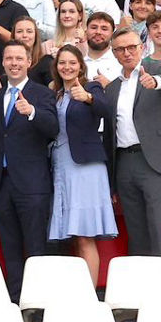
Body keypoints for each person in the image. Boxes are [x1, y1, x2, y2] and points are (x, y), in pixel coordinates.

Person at [0, 38, 57, 301]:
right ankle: (15, 301)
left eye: (19, 59)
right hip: (2, 184)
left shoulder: (42, 94)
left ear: (29, 62)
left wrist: (32, 112)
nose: (14, 63)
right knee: (10, 246)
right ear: (2, 63)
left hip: (33, 185)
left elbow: (53, 130)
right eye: (9, 59)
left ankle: (37, 303)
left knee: (36, 246)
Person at [105, 24, 161, 261]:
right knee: (136, 231)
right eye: (121, 49)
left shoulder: (154, 68)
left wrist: (157, 82)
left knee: (159, 230)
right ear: (114, 53)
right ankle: (139, 289)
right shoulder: (112, 87)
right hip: (124, 163)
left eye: (132, 47)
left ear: (142, 48)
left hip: (153, 161)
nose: (127, 53)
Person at [47, 43, 118, 278]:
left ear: (80, 66)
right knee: (75, 238)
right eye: (62, 63)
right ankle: (78, 292)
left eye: (72, 63)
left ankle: (88, 297)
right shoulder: (54, 92)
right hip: (61, 165)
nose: (67, 67)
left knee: (85, 235)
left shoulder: (92, 87)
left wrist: (88, 98)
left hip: (85, 167)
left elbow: (107, 110)